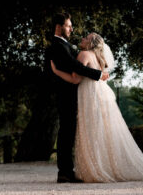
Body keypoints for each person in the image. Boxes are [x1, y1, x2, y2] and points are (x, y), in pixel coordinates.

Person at [51, 32, 143, 182]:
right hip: (102, 95)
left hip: (90, 97)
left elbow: (75, 79)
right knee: (102, 132)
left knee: (91, 132)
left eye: (86, 37)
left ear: (90, 43)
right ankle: (105, 166)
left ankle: (96, 169)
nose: (82, 38)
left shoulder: (84, 54)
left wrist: (56, 71)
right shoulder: (98, 58)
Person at [45, 12, 109, 183]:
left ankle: (67, 171)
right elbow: (75, 67)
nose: (72, 29)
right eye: (68, 25)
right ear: (59, 27)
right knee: (66, 133)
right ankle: (65, 172)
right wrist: (98, 74)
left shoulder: (64, 45)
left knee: (69, 132)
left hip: (73, 95)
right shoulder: (57, 45)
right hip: (65, 96)